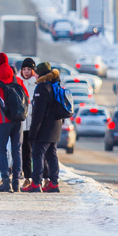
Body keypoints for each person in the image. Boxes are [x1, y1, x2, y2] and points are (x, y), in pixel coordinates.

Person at [21, 61, 71, 193]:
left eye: (36, 73)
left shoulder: (42, 88)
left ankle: (36, 183)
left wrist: (33, 132)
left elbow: (38, 113)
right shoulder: (55, 85)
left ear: (41, 74)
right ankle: (53, 183)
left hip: (45, 128)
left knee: (37, 153)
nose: (35, 75)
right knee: (51, 154)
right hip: (56, 126)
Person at [0, 53, 25, 193]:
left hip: (2, 121)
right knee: (17, 150)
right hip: (18, 120)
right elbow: (26, 97)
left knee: (2, 150)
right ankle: (17, 182)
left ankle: (6, 181)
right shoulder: (17, 79)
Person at [16, 58, 37, 188]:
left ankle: (38, 177)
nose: (26, 72)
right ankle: (27, 177)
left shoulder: (37, 83)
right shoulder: (18, 82)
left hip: (35, 122)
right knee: (25, 151)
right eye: (24, 69)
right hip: (22, 122)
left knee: (37, 151)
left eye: (29, 69)